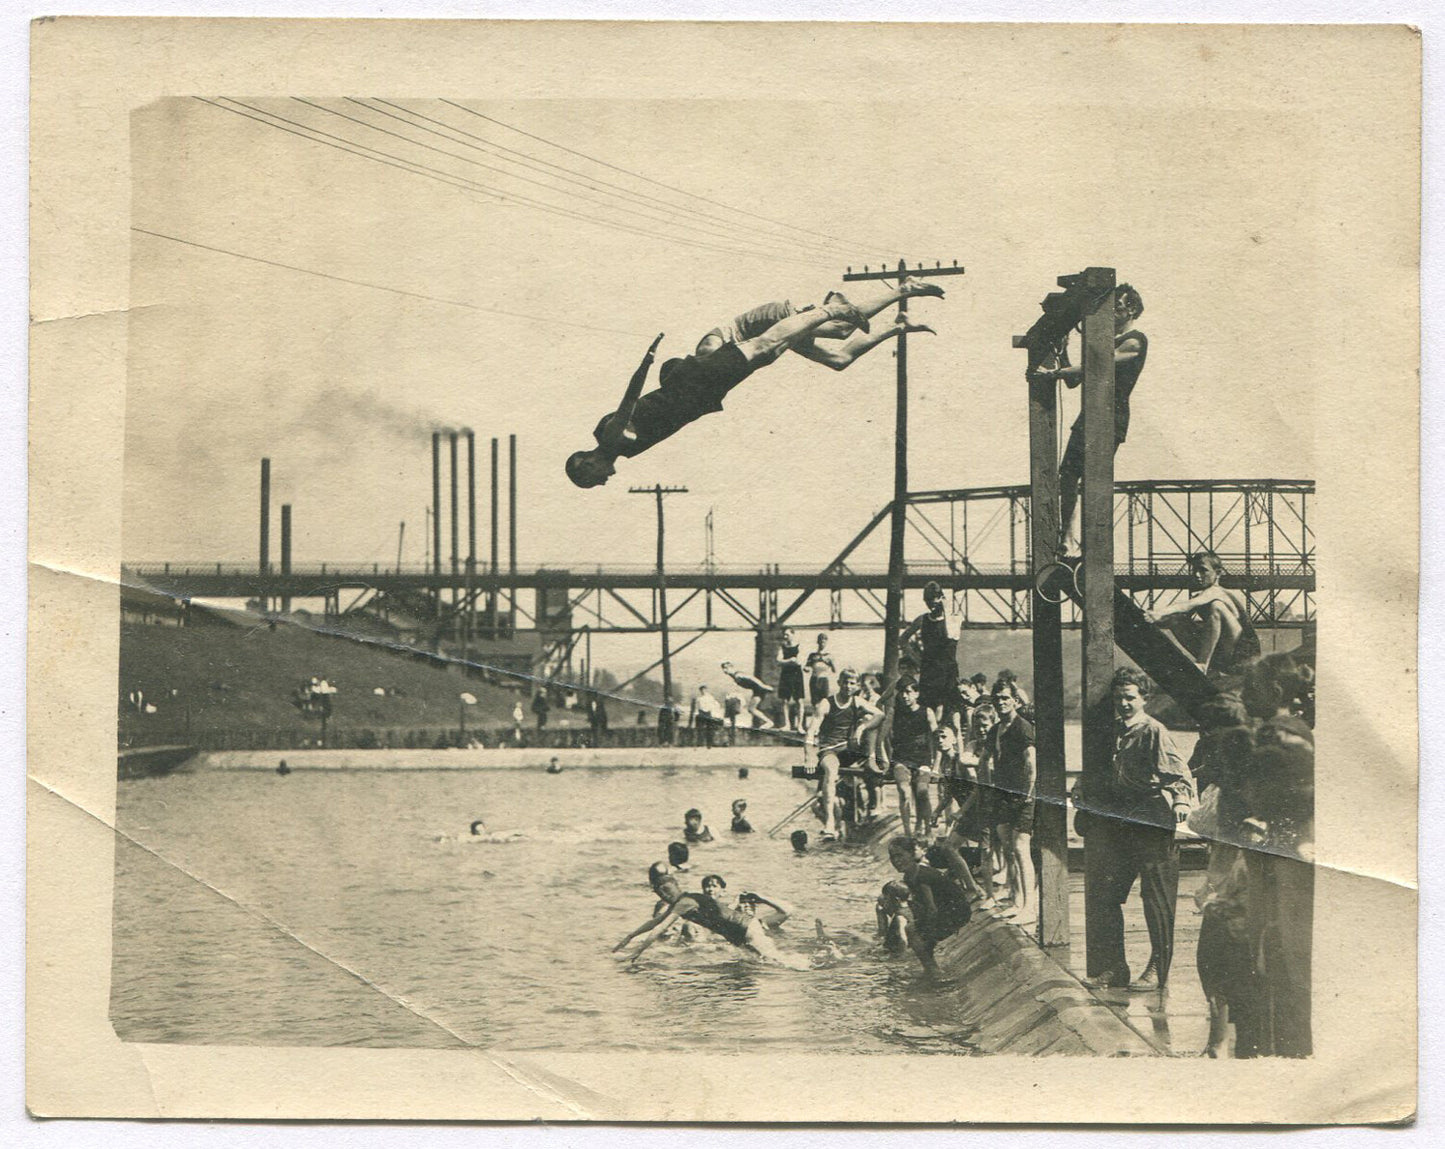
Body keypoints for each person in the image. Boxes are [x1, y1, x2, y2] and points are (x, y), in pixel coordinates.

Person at [567, 280, 945, 488]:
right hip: (702, 389)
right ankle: (897, 324)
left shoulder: (610, 439)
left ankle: (833, 307)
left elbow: (630, 398)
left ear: (587, 463)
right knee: (837, 357)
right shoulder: (623, 451)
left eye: (593, 480)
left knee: (772, 347)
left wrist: (645, 363)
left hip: (700, 381)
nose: (602, 483)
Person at [1075, 667, 1193, 990]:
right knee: (1106, 894)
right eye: (1119, 698)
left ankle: (1157, 969)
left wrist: (1181, 801)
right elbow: (1096, 768)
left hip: (1153, 819)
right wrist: (1081, 784)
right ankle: (1115, 967)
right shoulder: (1112, 731)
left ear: (1144, 699)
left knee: (1156, 900)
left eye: (1130, 697)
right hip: (1121, 821)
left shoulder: (1155, 731)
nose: (1124, 703)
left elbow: (1180, 776)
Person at [1027, 284, 1147, 557]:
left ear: (1132, 310)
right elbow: (1074, 379)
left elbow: (1099, 366)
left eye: (1118, 307)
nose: (1113, 313)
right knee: (1068, 474)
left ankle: (1092, 546)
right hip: (1089, 415)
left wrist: (1053, 373)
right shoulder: (1102, 340)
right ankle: (1067, 538)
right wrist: (1063, 352)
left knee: (1094, 477)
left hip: (1110, 417)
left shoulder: (1136, 340)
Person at [616, 873, 804, 969]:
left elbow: (660, 928)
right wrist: (630, 936)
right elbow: (656, 922)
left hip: (745, 927)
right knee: (767, 963)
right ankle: (806, 966)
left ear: (665, 892)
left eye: (660, 893)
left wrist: (637, 952)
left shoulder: (684, 903)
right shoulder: (682, 902)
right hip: (737, 934)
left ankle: (809, 967)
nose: (661, 897)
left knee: (777, 960)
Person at [1146, 551, 1261, 677]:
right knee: (1176, 619)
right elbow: (1178, 614)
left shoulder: (1217, 592)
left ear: (1218, 573)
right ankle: (1212, 667)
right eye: (1194, 570)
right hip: (1225, 656)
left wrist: (1158, 613)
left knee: (1217, 606)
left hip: (1245, 656)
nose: (1196, 575)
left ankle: (1202, 664)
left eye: (1203, 570)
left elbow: (1186, 605)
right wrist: (1152, 618)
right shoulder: (1203, 596)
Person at [979, 679, 1037, 923]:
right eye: (997, 698)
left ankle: (1029, 908)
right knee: (1007, 849)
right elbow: (984, 759)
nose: (1001, 702)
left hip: (1023, 795)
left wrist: (1028, 794)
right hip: (1002, 794)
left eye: (1005, 698)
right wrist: (987, 788)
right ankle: (1015, 900)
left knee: (1021, 849)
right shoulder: (995, 730)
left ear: (1015, 700)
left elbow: (1031, 763)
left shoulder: (1022, 727)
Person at [806, 668, 885, 840]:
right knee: (832, 771)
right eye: (845, 683)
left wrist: (862, 727)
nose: (848, 687)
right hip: (830, 750)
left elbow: (880, 714)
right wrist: (809, 757)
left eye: (852, 684)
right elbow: (811, 732)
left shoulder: (857, 701)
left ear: (856, 685)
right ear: (839, 683)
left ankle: (875, 806)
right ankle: (829, 824)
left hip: (849, 749)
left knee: (870, 734)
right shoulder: (826, 703)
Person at [885, 837, 973, 977]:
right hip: (946, 909)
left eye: (900, 855)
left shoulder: (921, 876)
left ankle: (933, 970)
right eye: (892, 857)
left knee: (913, 932)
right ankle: (930, 967)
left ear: (913, 854)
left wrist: (928, 934)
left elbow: (931, 908)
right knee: (914, 930)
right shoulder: (910, 876)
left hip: (957, 912)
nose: (896, 861)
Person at [900, 581, 961, 722]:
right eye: (927, 601)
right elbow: (902, 640)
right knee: (928, 713)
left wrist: (946, 611)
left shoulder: (955, 618)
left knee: (949, 715)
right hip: (929, 672)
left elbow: (950, 635)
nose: (930, 604)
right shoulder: (922, 620)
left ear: (941, 598)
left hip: (948, 673)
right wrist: (917, 660)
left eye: (933, 600)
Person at [889, 678, 938, 839]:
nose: (905, 696)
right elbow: (882, 737)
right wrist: (882, 757)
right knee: (904, 791)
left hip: (922, 760)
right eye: (902, 692)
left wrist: (936, 765)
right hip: (901, 760)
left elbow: (936, 739)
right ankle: (908, 832)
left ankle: (928, 830)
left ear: (916, 693)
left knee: (922, 792)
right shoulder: (894, 712)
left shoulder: (927, 712)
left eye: (909, 692)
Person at [720, 661, 776, 730]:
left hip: (759, 689)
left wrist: (763, 686)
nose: (724, 670)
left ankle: (769, 722)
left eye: (726, 668)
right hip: (757, 690)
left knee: (751, 709)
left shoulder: (738, 675)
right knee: (751, 709)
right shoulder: (735, 678)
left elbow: (752, 678)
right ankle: (769, 722)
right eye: (723, 668)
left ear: (731, 667)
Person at [775, 628, 806, 732]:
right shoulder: (782, 646)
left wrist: (786, 661)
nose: (785, 637)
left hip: (797, 675)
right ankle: (787, 724)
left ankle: (800, 726)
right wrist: (790, 660)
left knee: (799, 700)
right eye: (784, 634)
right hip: (786, 675)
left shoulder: (799, 646)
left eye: (787, 634)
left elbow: (799, 662)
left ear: (793, 634)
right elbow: (778, 660)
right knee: (784, 700)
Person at [875, 880, 916, 955]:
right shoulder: (911, 907)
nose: (883, 900)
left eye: (886, 898)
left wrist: (902, 956)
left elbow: (904, 940)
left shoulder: (900, 917)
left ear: (896, 900)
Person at [805, 633, 837, 715]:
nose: (822, 643)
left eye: (824, 642)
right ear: (817, 642)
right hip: (814, 679)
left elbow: (835, 670)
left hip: (824, 680)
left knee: (824, 702)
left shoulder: (829, 656)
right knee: (815, 703)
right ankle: (815, 723)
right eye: (820, 641)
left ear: (826, 643)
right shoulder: (812, 655)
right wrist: (806, 668)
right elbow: (807, 667)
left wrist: (830, 662)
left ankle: (823, 723)